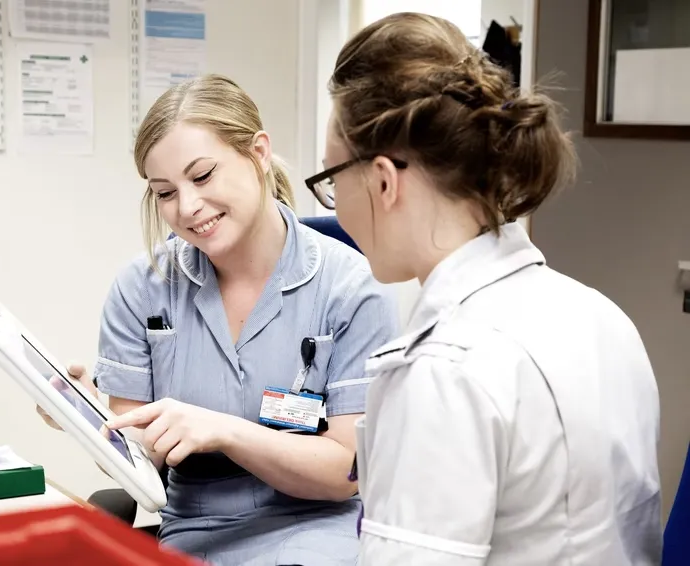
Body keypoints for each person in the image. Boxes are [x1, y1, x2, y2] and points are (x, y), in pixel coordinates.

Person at [305, 12, 662, 566]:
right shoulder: (599, 315)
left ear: (382, 180)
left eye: (331, 180)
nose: (335, 206)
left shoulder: (444, 369)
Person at [39, 74, 399, 565]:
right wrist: (90, 418)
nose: (187, 208)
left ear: (258, 153)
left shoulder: (352, 287)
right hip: (195, 528)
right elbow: (140, 461)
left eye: (203, 176)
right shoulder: (140, 288)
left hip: (315, 524)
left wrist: (225, 431)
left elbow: (344, 472)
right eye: (164, 193)